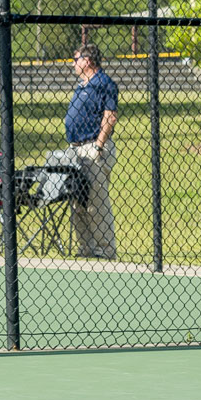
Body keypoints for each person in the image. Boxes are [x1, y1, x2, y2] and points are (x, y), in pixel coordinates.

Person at [65, 43, 119, 260]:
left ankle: (105, 249)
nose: (73, 63)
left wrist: (98, 145)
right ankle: (86, 247)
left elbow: (110, 116)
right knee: (78, 202)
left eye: (76, 58)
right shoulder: (82, 85)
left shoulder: (104, 83)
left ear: (87, 61)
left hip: (92, 147)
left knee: (96, 202)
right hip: (76, 149)